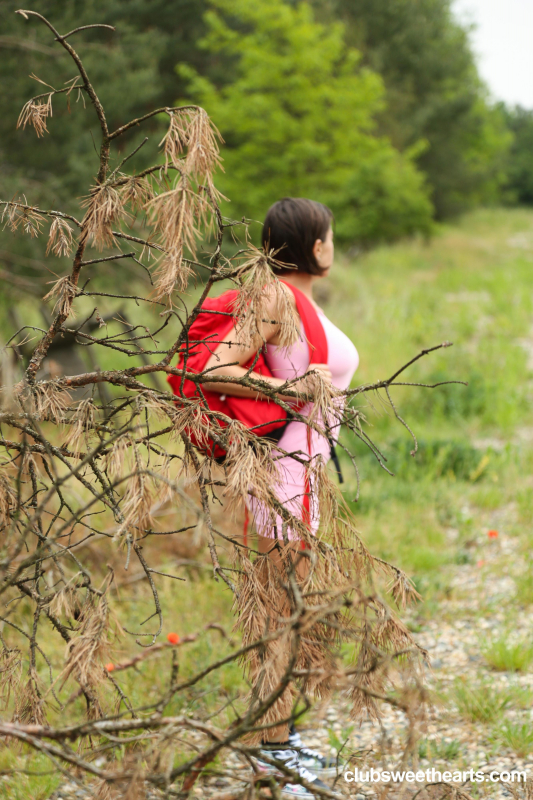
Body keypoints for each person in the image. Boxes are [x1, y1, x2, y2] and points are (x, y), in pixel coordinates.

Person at [204, 197, 359, 799]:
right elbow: (214, 369)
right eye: (329, 238)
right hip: (284, 476)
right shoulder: (274, 297)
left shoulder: (298, 300)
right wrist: (288, 386)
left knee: (287, 613)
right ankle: (274, 759)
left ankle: (282, 748)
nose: (332, 247)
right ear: (314, 245)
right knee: (279, 615)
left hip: (304, 474)